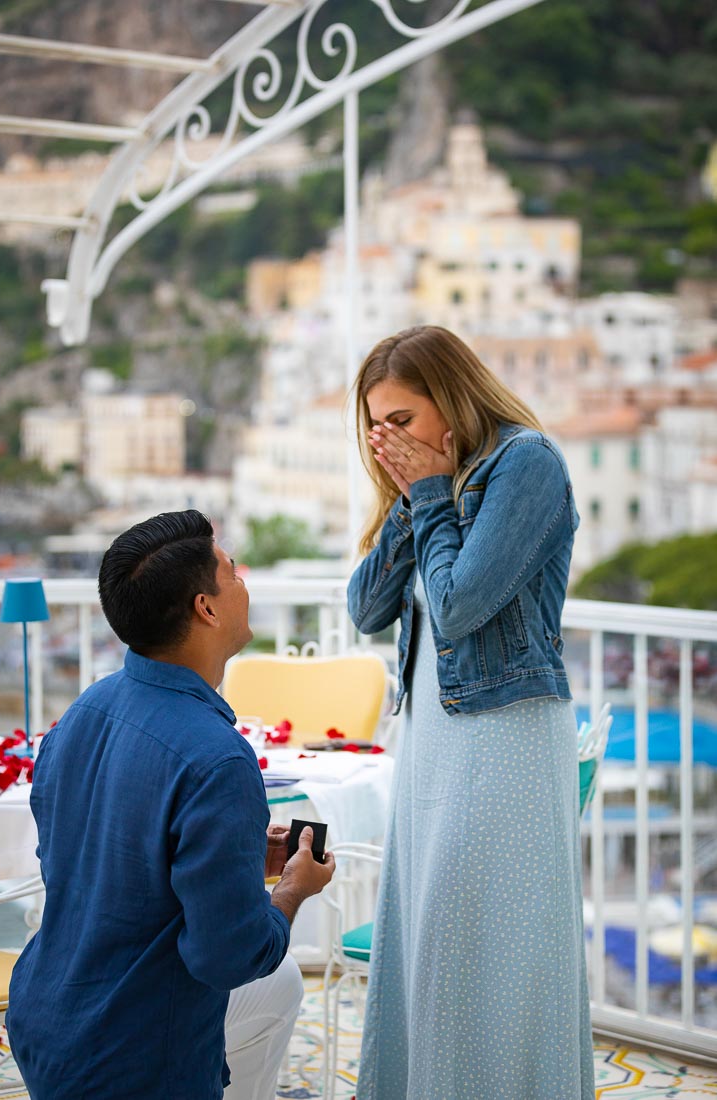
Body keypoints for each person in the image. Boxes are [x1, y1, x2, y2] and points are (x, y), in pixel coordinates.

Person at [6, 509, 335, 1100]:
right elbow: (230, 958)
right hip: (134, 1058)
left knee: (279, 985)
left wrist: (238, 855)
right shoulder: (218, 760)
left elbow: (93, 858)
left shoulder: (86, 710)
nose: (244, 580)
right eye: (232, 571)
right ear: (206, 608)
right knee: (270, 971)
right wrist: (293, 889)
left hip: (45, 1019)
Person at [347, 326, 595, 1100]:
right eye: (374, 426)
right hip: (431, 742)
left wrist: (427, 494)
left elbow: (456, 610)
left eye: (402, 421)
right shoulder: (432, 486)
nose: (387, 440)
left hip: (505, 738)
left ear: (451, 402)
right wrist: (409, 494)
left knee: (495, 950)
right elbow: (365, 608)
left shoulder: (526, 464)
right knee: (430, 941)